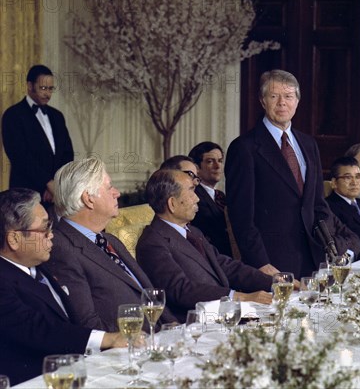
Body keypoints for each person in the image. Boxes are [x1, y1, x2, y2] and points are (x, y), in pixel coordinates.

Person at [0, 188, 127, 385]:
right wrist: (107, 339)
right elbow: (38, 328)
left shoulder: (40, 266)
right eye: (44, 229)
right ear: (14, 239)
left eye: (50, 226)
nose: (51, 235)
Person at [43, 157, 177, 331]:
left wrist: (174, 328)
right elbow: (87, 324)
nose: (117, 193)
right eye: (109, 187)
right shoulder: (61, 247)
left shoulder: (111, 240)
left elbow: (148, 295)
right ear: (88, 199)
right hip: (126, 349)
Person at [225, 69, 330, 278]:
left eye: (288, 96)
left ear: (297, 101)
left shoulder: (309, 145)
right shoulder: (244, 148)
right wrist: (260, 263)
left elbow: (318, 204)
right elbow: (241, 216)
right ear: (263, 101)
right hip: (271, 262)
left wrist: (328, 248)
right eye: (274, 96)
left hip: (312, 258)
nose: (282, 103)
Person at [136, 169, 273, 322]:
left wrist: (274, 282)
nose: (197, 199)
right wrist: (239, 297)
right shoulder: (152, 243)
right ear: (172, 203)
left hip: (225, 316)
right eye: (191, 191)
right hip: (195, 325)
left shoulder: (193, 231)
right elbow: (182, 290)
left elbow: (225, 265)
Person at [2, 65, 74, 215]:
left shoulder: (57, 116)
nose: (47, 93)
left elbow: (67, 153)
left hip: (55, 195)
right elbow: (20, 156)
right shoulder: (13, 115)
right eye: (43, 88)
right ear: (29, 86)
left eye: (50, 89)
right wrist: (48, 183)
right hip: (25, 194)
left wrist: (57, 185)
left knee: (55, 236)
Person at [187, 142, 234, 256]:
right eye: (210, 161)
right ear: (196, 168)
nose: (217, 166)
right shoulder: (193, 196)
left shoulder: (221, 196)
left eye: (220, 161)